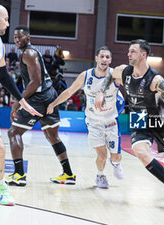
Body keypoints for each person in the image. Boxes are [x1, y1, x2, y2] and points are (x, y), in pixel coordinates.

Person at [94, 39, 164, 204]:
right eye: (129, 51)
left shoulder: (156, 80)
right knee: (141, 153)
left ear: (143, 55)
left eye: (133, 51)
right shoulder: (123, 71)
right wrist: (100, 92)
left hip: (158, 118)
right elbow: (109, 77)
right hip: (138, 117)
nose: (128, 54)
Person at [5, 25, 75, 186]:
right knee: (52, 136)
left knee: (13, 132)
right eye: (15, 37)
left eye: (20, 36)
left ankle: (19, 175)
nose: (17, 39)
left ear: (28, 37)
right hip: (49, 95)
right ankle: (68, 174)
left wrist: (18, 101)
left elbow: (35, 82)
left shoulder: (28, 53)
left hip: (38, 98)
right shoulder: (30, 52)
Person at [0, 3, 42, 205]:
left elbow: (3, 75)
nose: (8, 24)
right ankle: (1, 189)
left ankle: (0, 187)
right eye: (6, 19)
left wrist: (21, 100)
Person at [47, 46, 125, 188]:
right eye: (102, 56)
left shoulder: (115, 74)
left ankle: (116, 162)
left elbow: (128, 72)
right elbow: (70, 91)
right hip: (93, 121)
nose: (104, 59)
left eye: (107, 57)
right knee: (102, 155)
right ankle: (100, 176)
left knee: (115, 156)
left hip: (111, 121)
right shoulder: (86, 75)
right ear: (96, 58)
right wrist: (54, 104)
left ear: (111, 60)